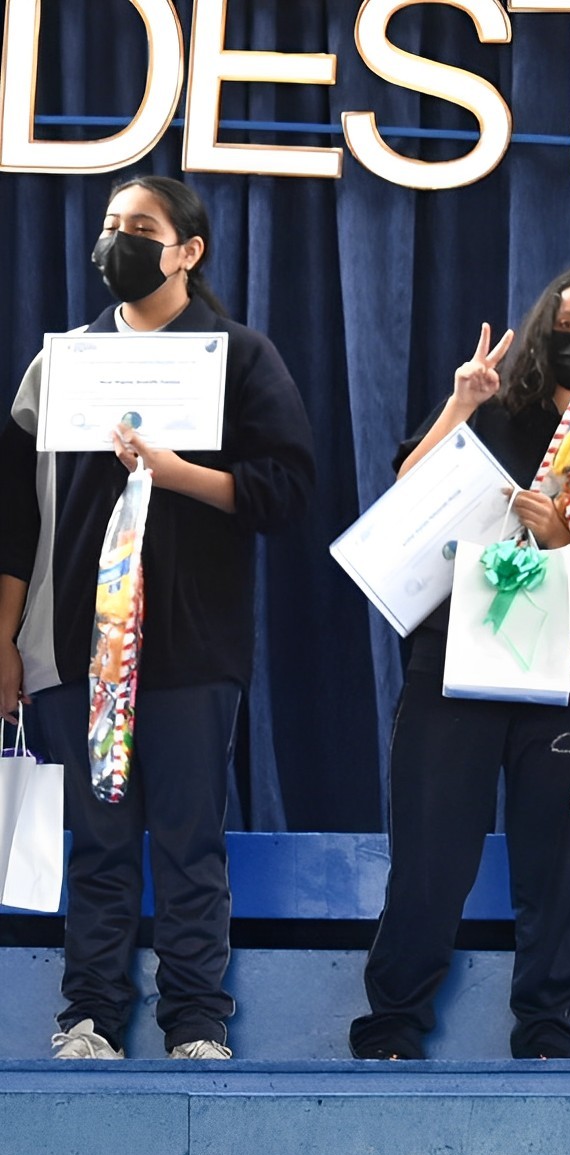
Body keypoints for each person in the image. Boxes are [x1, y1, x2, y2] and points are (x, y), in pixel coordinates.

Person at [0, 175, 316, 1060]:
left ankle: (196, 1022)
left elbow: (286, 489)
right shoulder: (61, 363)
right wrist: (6, 639)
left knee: (188, 839)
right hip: (73, 646)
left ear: (188, 250)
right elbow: (16, 518)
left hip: (190, 645)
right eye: (111, 225)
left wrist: (175, 472)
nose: (120, 240)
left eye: (141, 226)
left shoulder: (238, 356)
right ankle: (89, 1016)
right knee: (98, 842)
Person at [349, 268, 570, 1060]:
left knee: (557, 858)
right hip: (454, 653)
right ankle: (393, 1021)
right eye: (568, 324)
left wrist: (562, 538)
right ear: (542, 327)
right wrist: (460, 403)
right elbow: (405, 494)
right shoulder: (490, 407)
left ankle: (548, 1023)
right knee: (430, 850)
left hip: (567, 672)